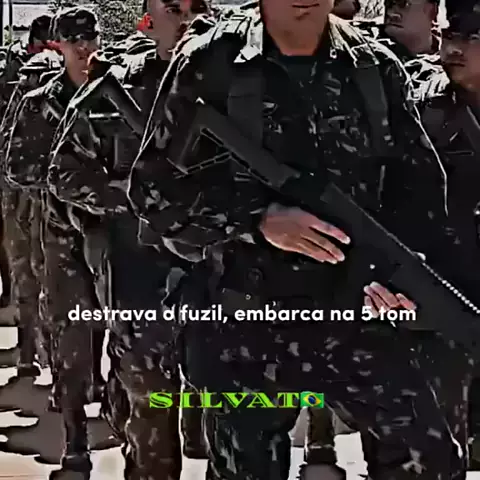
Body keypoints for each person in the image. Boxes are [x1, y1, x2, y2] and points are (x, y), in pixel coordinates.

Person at [127, 0, 480, 478]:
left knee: (432, 461)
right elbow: (153, 190)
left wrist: (399, 276)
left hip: (356, 320)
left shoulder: (374, 68)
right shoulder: (211, 63)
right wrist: (257, 218)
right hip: (247, 324)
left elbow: (421, 195)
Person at [48, 1, 212, 478]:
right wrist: (135, 196)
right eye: (174, 8)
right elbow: (63, 174)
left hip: (223, 276)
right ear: (148, 20)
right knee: (150, 408)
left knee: (233, 415)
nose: (187, 19)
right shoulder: (118, 87)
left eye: (197, 7)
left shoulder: (242, 83)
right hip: (141, 277)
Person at [4, 7, 104, 472]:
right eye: (74, 41)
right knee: (68, 332)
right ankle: (75, 436)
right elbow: (16, 167)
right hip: (59, 233)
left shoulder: (120, 92)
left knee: (122, 329)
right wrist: (67, 181)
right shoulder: (39, 101)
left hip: (115, 233)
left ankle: (113, 403)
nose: (84, 48)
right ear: (58, 45)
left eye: (90, 39)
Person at [413, 0, 480, 469]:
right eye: (449, 35)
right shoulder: (418, 106)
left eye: (470, 38)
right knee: (437, 449)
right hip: (444, 304)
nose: (452, 49)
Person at [0, 14, 55, 372]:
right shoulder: (23, 76)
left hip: (36, 189)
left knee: (36, 268)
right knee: (31, 266)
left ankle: (36, 350)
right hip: (24, 187)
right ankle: (30, 349)